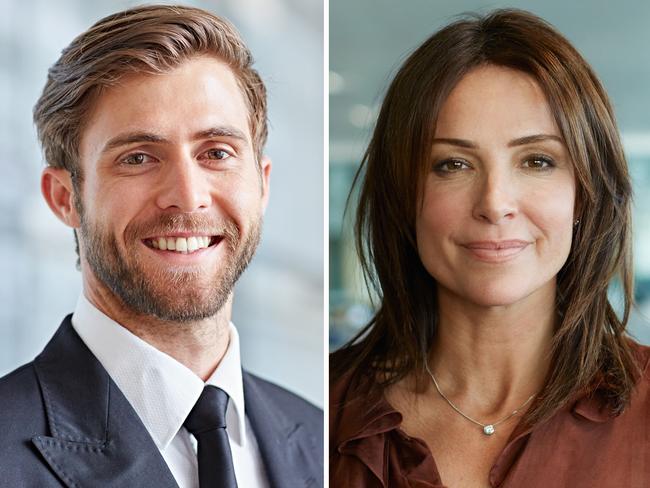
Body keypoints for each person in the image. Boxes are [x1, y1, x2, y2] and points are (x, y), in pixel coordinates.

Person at [0, 5, 322, 488]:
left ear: (262, 183)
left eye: (216, 153)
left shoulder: (322, 440)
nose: (187, 196)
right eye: (138, 157)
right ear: (65, 198)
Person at [330, 9, 649, 488]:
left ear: (585, 192)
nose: (495, 204)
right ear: (403, 197)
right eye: (452, 164)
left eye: (537, 160)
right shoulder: (324, 408)